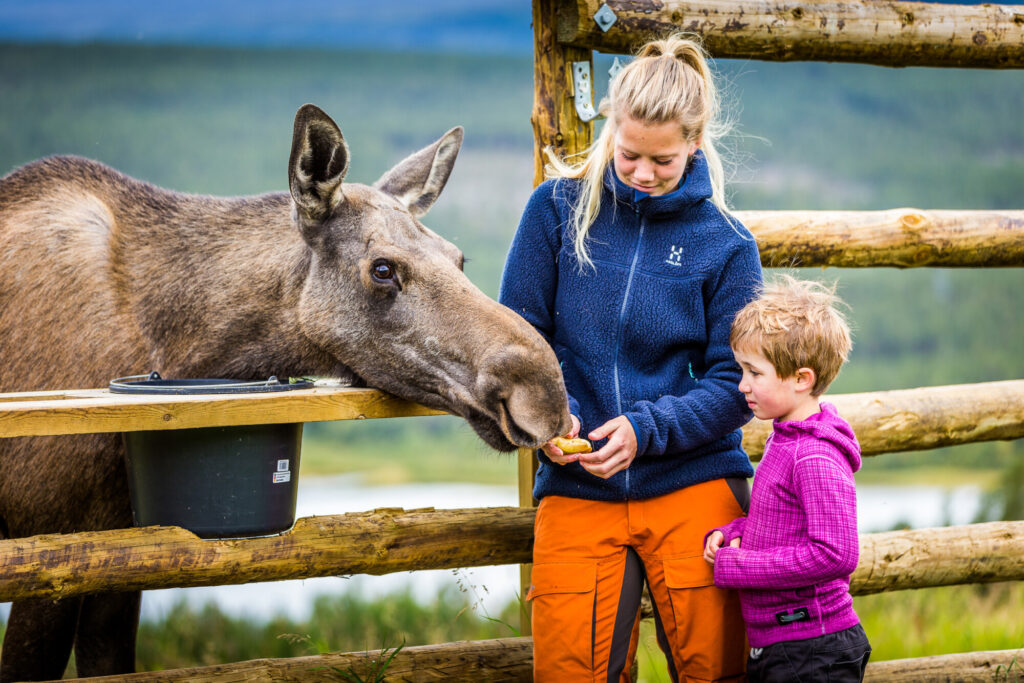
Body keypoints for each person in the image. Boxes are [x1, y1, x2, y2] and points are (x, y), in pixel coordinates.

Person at [499, 33, 763, 681]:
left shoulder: (726, 244)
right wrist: (552, 421)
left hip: (695, 481)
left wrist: (646, 430)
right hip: (575, 480)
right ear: (611, 128)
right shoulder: (554, 211)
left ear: (695, 145)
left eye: (663, 161)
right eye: (629, 155)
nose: (643, 173)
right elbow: (519, 340)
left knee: (717, 672)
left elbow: (736, 383)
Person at [704, 275, 871, 682]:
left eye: (753, 373)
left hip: (813, 647)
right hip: (784, 643)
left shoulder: (813, 455)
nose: (742, 384)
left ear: (801, 379)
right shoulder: (786, 439)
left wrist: (739, 565)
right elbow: (783, 522)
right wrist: (737, 531)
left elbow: (835, 554)